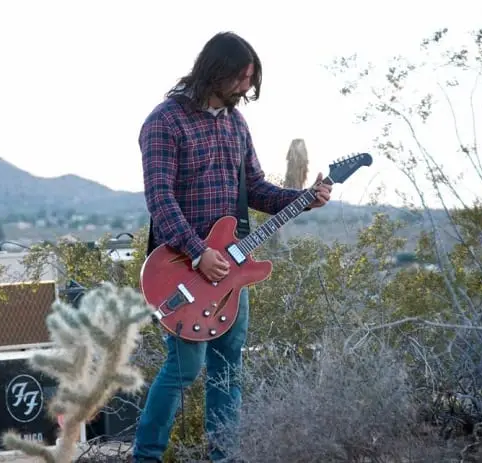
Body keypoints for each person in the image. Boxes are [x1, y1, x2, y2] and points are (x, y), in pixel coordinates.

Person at [133, 31, 332, 462]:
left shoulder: (236, 123)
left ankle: (225, 456)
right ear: (215, 70)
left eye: (250, 80)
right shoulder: (164, 122)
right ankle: (143, 457)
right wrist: (197, 251)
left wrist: (304, 199)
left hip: (230, 271)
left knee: (229, 369)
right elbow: (160, 200)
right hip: (183, 268)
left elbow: (257, 189)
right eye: (240, 79)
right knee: (184, 369)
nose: (246, 89)